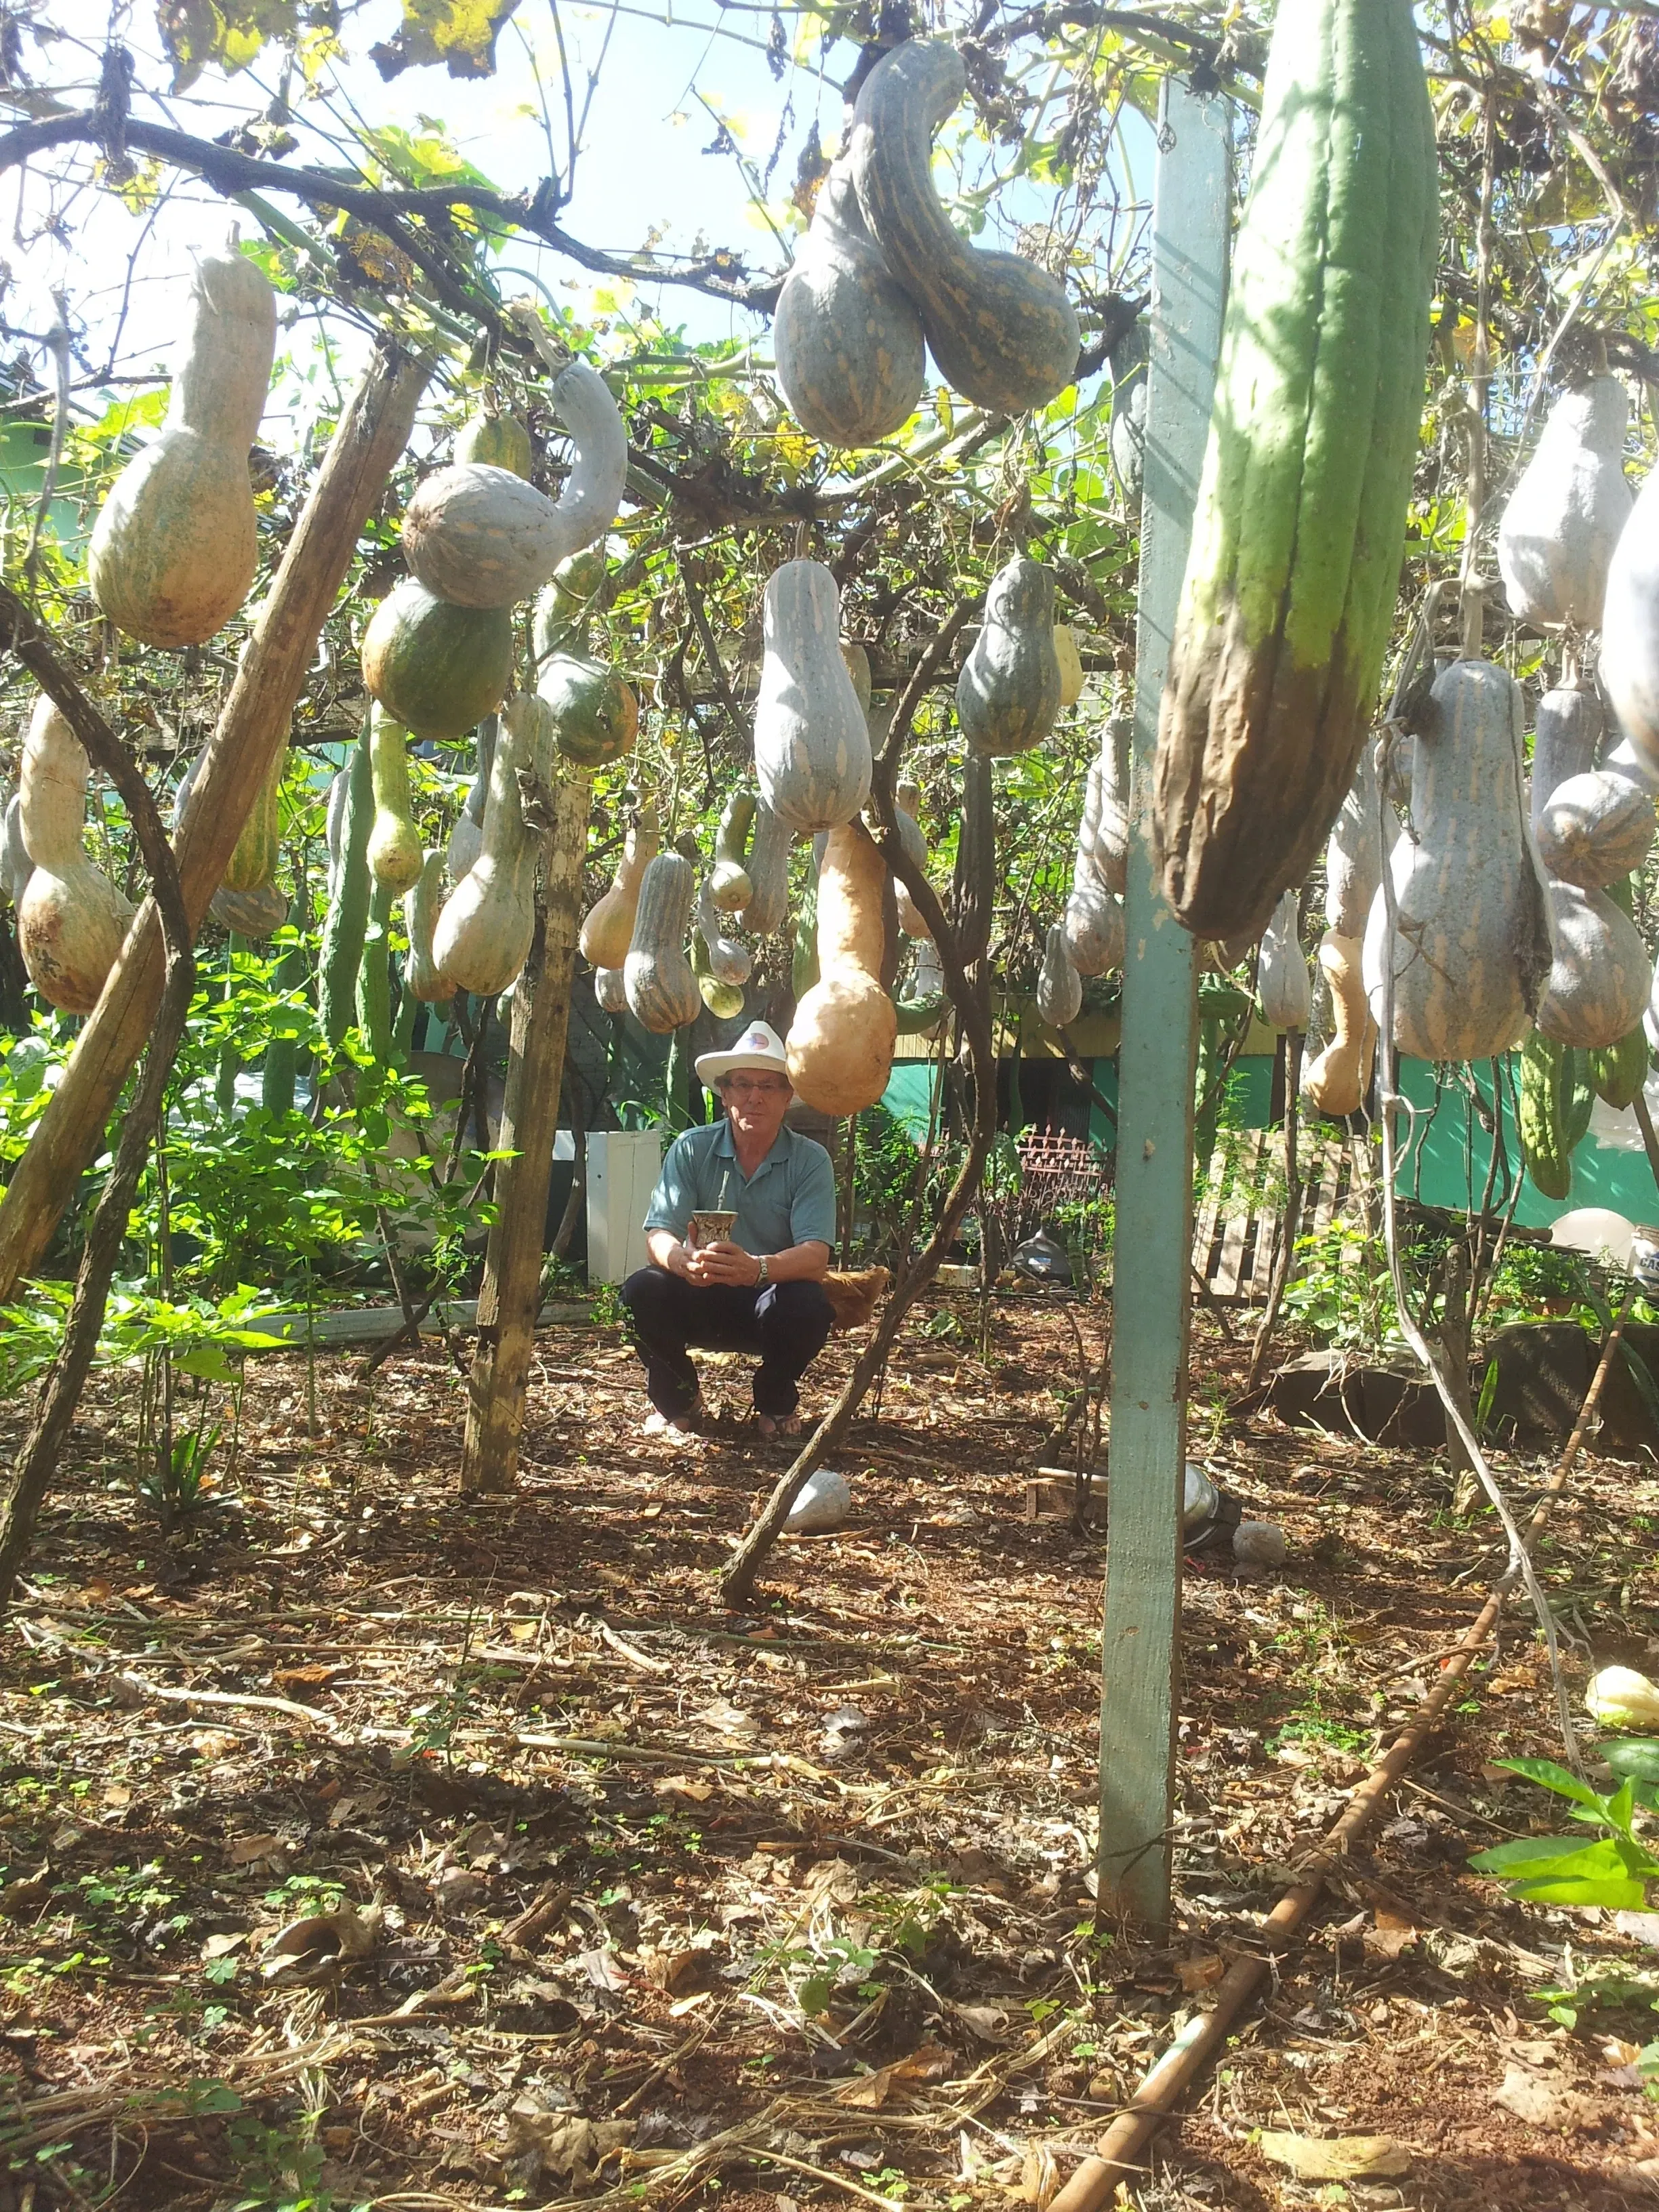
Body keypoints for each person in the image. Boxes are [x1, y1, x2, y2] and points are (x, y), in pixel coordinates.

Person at [619, 1021, 835, 1443]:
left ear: (788, 1096)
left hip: (767, 1300)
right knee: (640, 1291)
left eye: (770, 1086)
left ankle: (775, 1400)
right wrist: (680, 1260)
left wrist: (756, 1269)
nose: (755, 1097)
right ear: (724, 1093)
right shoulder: (691, 1148)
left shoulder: (811, 1161)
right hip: (697, 1290)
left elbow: (816, 1254)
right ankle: (679, 1401)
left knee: (809, 1304)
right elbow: (658, 1233)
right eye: (742, 1084)